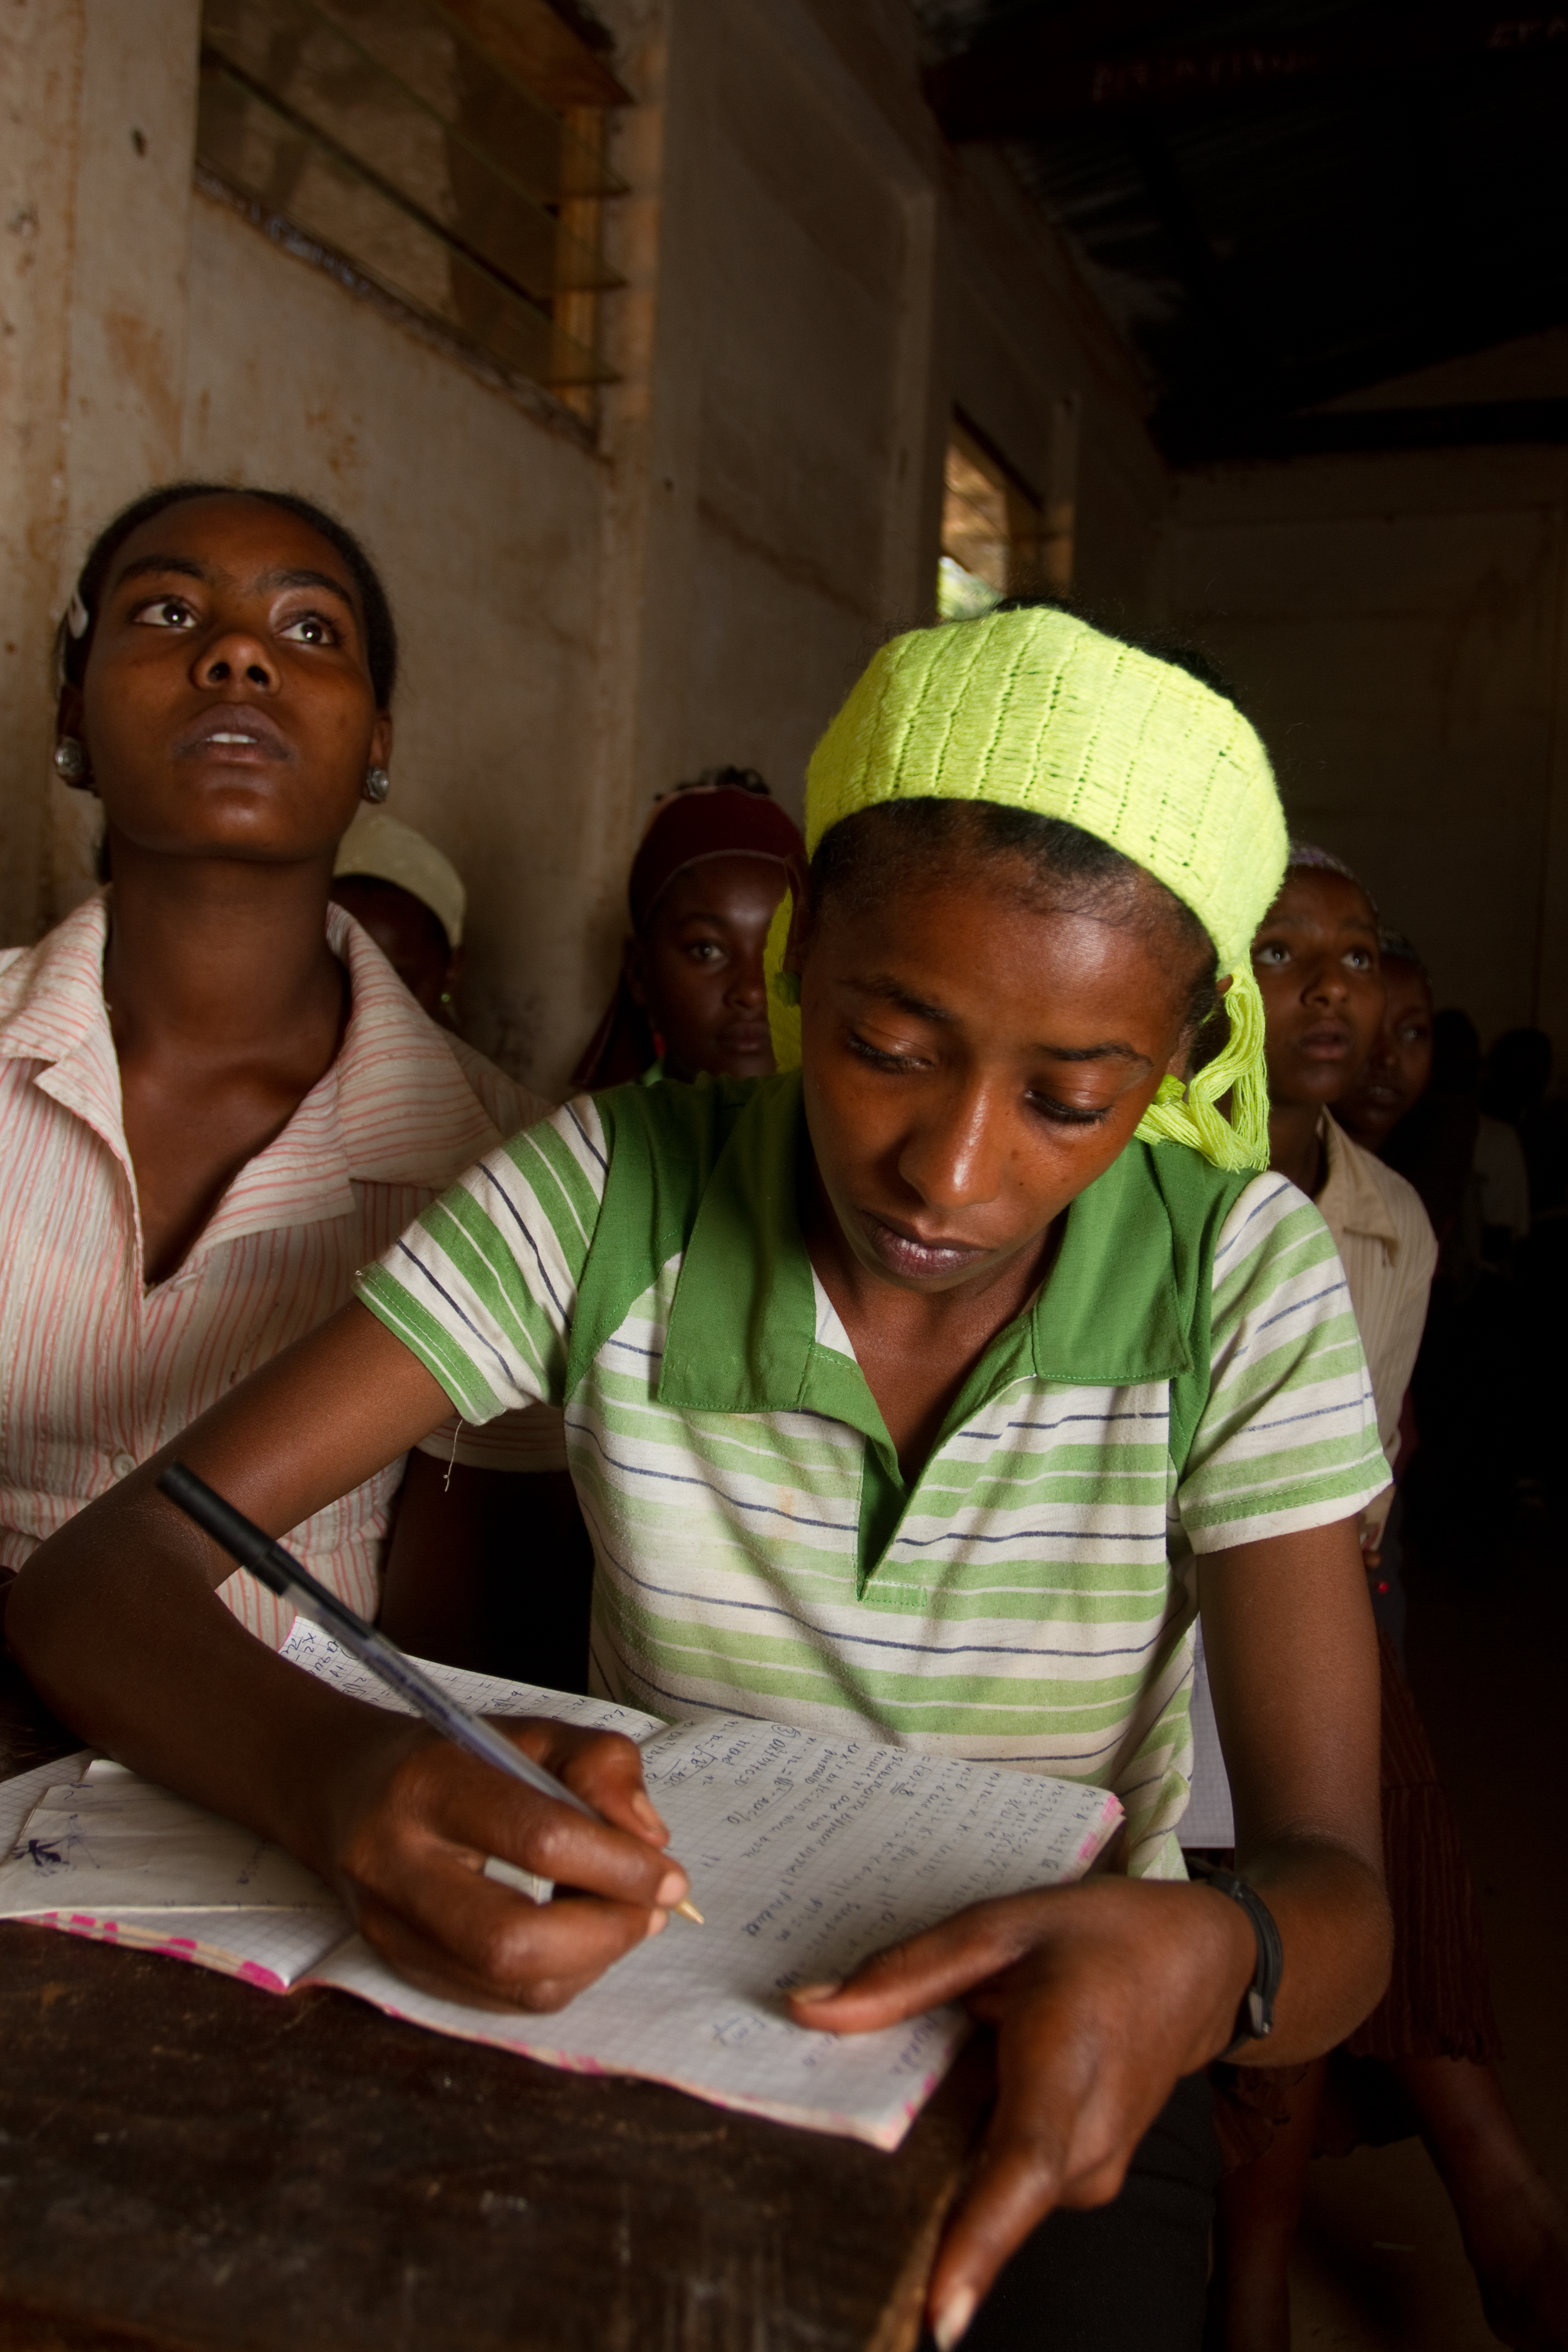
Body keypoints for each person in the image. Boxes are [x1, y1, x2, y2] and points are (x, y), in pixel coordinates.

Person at [11, 608, 1396, 2352]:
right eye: (887, 1045)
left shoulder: (1237, 1278)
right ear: (803, 957)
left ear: (1182, 1061)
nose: (949, 1171)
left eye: (1070, 1097)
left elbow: (1337, 1888)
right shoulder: (612, 1196)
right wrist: (341, 1775)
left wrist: (1219, 1960)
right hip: (636, 1998)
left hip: (1063, 2045)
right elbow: (99, 1578)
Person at [0, 481, 586, 1688]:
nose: (235, 658)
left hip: (296, 1800)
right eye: (167, 614)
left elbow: (456, 1666)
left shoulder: (506, 1162)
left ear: (377, 742)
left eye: (309, 632)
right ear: (73, 709)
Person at [1206, 853, 1568, 2352]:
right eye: (1282, 949)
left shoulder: (1391, 1229)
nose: (1333, 986)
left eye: (1357, 955)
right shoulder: (1149, 1183)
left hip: (1303, 1597)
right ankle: (1485, 2195)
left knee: (1338, 1810)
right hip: (1137, 1608)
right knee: (1359, 1802)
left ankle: (1260, 2272)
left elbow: (1345, 1503)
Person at [572, 767, 805, 1087]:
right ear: (640, 972)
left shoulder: (853, 1130)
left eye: (780, 945)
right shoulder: (589, 1133)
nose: (752, 993)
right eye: (706, 950)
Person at [330, 804, 466, 1028]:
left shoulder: (460, 1063)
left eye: (392, 982)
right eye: (334, 975)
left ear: (452, 970)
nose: (358, 1007)